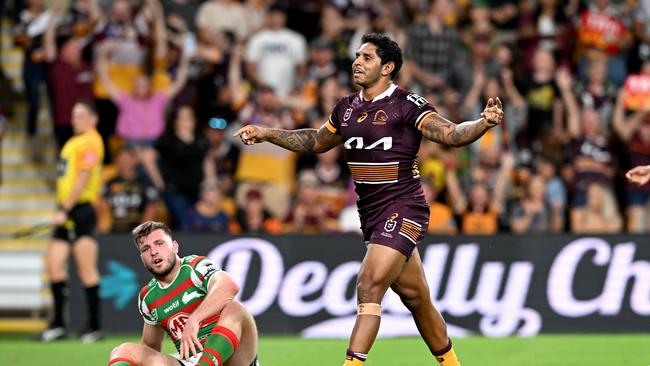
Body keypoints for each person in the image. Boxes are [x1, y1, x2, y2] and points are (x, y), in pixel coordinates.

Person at [235, 33, 504, 366]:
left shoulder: (407, 105)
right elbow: (316, 142)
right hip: (371, 213)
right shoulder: (346, 107)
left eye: (367, 57)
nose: (357, 62)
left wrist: (482, 123)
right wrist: (268, 132)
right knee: (417, 298)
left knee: (368, 286)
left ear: (387, 67)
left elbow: (450, 134)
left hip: (403, 207)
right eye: (357, 56)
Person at [108, 221, 260, 366]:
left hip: (230, 359)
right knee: (123, 351)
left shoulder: (194, 267)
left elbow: (229, 286)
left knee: (236, 309)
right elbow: (150, 346)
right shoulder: (148, 296)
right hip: (190, 361)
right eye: (146, 249)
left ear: (174, 247)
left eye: (159, 243)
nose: (153, 252)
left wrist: (194, 320)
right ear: (142, 259)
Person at [36, 100, 104, 342]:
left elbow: (83, 177)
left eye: (82, 115)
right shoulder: (75, 141)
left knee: (87, 270)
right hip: (65, 211)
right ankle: (58, 325)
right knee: (53, 266)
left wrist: (65, 208)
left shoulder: (92, 141)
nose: (76, 119)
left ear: (93, 118)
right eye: (74, 115)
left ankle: (94, 326)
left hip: (80, 210)